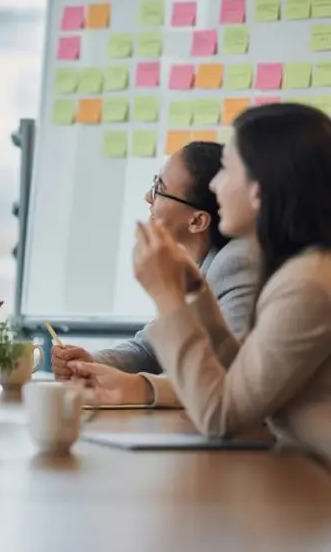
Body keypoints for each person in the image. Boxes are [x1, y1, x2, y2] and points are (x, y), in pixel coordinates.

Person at [130, 103, 331, 462]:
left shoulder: (308, 284)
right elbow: (244, 380)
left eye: (226, 170)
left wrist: (167, 296)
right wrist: (195, 292)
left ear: (259, 190)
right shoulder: (299, 269)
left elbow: (221, 415)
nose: (215, 185)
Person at [52, 141, 259, 406]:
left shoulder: (236, 262)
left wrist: (142, 387)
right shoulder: (205, 261)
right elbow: (150, 348)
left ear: (197, 221)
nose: (148, 197)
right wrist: (90, 362)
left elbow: (226, 374)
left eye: (160, 189)